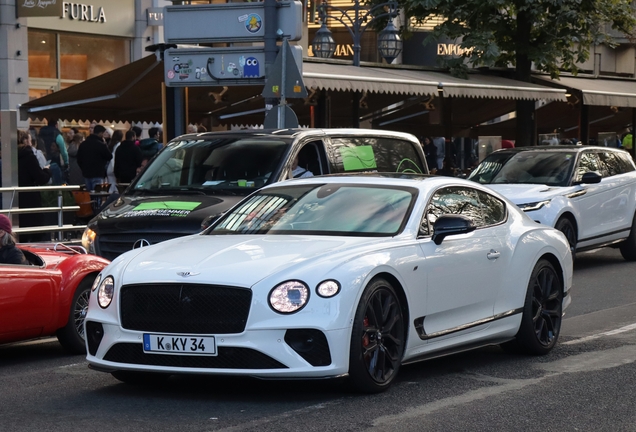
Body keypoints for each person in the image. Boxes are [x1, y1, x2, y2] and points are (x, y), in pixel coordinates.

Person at [18, 130, 52, 242]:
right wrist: (47, 171)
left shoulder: (9, 156)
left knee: (20, 232)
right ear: (25, 141)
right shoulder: (28, 156)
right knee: (34, 232)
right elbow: (40, 177)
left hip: (14, 198)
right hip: (30, 197)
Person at [76, 124, 112, 192]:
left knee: (89, 195)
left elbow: (79, 159)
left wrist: (84, 168)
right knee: (98, 195)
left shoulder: (83, 144)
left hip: (86, 173)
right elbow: (109, 156)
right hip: (98, 173)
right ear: (100, 133)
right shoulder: (101, 145)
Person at [38, 118, 68, 185]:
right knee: (57, 183)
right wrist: (66, 162)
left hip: (42, 161)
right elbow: (63, 151)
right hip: (55, 161)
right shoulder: (57, 134)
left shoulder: (40, 133)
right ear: (56, 125)